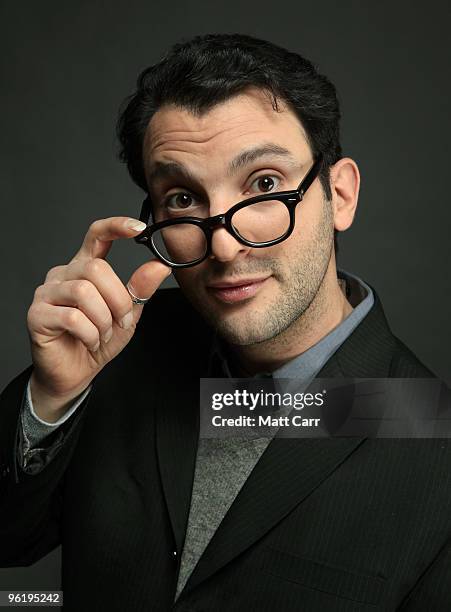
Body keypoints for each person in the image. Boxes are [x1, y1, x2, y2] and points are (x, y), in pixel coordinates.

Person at [1, 33, 450, 612]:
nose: (224, 245)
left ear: (338, 196)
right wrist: (52, 398)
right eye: (184, 200)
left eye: (264, 185)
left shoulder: (433, 444)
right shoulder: (117, 348)